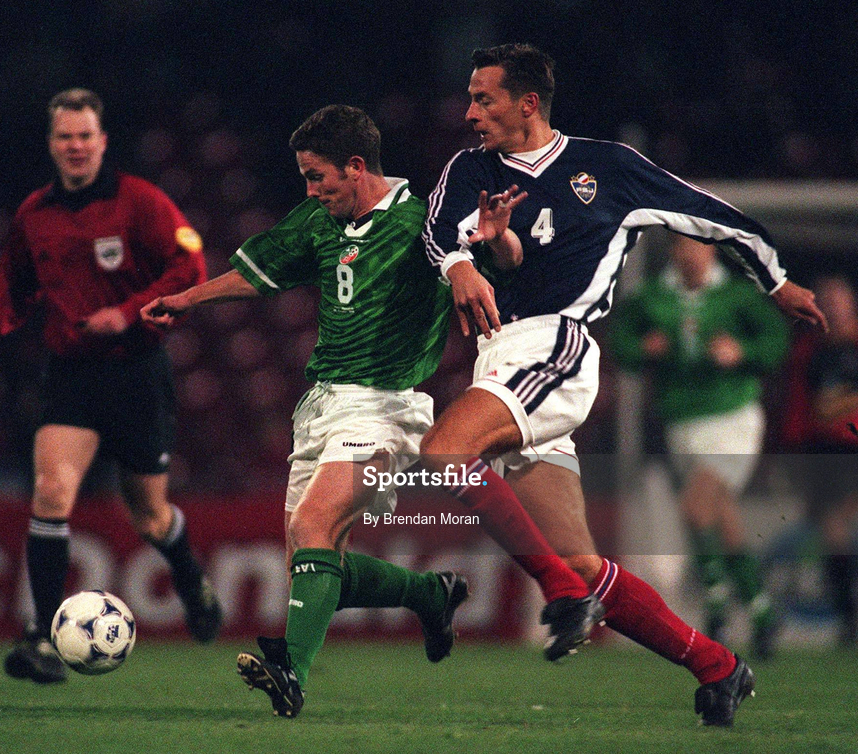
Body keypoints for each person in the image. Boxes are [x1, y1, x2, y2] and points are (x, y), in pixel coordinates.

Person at [143, 104, 606, 719]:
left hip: (387, 409)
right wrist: (186, 300)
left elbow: (497, 260)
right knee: (312, 565)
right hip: (321, 406)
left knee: (314, 529)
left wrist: (498, 240)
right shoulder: (317, 219)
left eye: (318, 177)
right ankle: (428, 595)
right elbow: (259, 273)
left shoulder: (423, 219)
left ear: (355, 167)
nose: (310, 190)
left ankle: (290, 672)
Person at [421, 43, 827, 727]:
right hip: (501, 360)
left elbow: (709, 214)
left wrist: (776, 279)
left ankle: (557, 594)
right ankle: (717, 666)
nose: (469, 112)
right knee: (581, 562)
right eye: (468, 96)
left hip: (556, 345)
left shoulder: (608, 168)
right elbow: (440, 231)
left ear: (528, 102)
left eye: (482, 98)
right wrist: (473, 255)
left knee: (441, 454)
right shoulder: (471, 168)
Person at [0, 88, 221, 684]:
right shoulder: (35, 213)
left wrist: (127, 312)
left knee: (150, 517)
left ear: (103, 141)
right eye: (64, 137)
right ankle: (44, 637)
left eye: (85, 136)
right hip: (71, 375)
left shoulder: (140, 202)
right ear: (51, 144)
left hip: (137, 372)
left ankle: (188, 574)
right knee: (51, 493)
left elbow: (190, 268)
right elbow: (14, 283)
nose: (75, 146)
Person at [610, 234, 789, 658]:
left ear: (711, 250)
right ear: (674, 251)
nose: (688, 253)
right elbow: (621, 344)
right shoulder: (654, 296)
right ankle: (761, 610)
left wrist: (742, 350)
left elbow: (777, 341)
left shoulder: (737, 295)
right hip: (681, 422)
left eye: (696, 246)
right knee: (719, 514)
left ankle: (715, 603)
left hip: (732, 417)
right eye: (681, 246)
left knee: (695, 505)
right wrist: (643, 348)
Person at [782, 276, 858, 647]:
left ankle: (851, 615)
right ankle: (847, 612)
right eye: (828, 300)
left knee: (836, 524)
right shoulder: (809, 351)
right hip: (823, 452)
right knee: (828, 530)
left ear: (852, 305)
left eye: (840, 300)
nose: (834, 307)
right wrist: (792, 451)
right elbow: (799, 407)